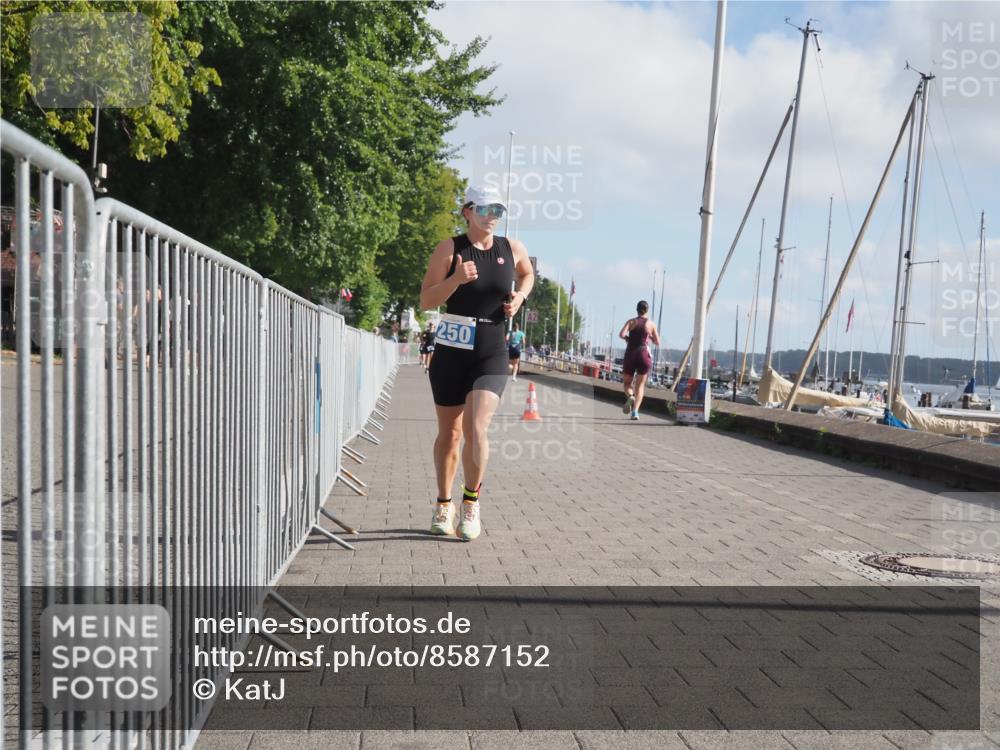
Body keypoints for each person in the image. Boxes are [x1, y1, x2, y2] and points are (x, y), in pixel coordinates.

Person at [419, 185, 534, 541]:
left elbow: (528, 274)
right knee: (450, 434)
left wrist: (519, 299)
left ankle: (471, 502)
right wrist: (455, 279)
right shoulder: (449, 249)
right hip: (452, 349)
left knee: (476, 427)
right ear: (468, 211)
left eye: (498, 209)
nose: (492, 216)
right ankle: (443, 503)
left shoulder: (511, 248)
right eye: (485, 209)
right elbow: (426, 300)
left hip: (491, 349)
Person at [618, 300, 661, 420]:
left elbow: (621, 334)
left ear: (636, 309)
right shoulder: (651, 324)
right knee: (640, 386)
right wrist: (651, 337)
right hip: (643, 354)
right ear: (646, 310)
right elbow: (658, 342)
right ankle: (635, 412)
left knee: (627, 384)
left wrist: (628, 338)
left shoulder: (631, 321)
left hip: (631, 353)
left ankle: (631, 396)